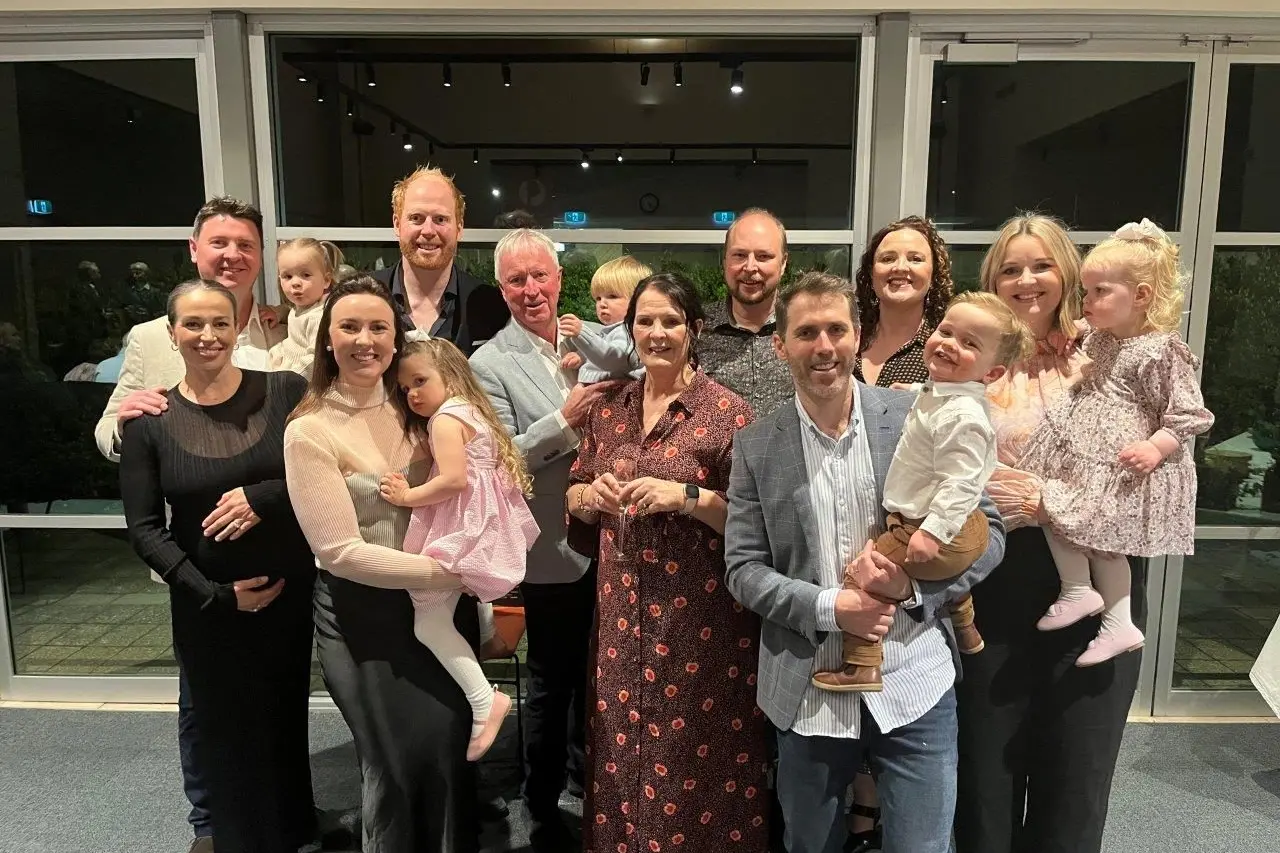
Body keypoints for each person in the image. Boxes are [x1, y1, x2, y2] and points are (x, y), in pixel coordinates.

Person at [724, 271, 1006, 853]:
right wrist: (834, 608)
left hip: (915, 679)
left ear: (857, 335)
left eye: (835, 329)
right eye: (806, 332)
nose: (823, 346)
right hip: (809, 694)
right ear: (781, 345)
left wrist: (910, 588)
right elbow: (743, 570)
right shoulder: (757, 445)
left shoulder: (917, 415)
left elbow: (990, 530)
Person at [92, 196, 286, 853]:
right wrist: (133, 424)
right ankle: (210, 820)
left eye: (245, 245)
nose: (233, 254)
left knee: (279, 696)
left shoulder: (284, 333)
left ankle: (285, 813)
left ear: (260, 257)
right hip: (197, 564)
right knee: (204, 704)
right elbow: (108, 428)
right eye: (220, 243)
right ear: (195, 248)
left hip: (281, 556)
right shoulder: (151, 337)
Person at [953, 212, 1139, 853]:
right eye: (1010, 269)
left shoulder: (1110, 359)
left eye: (1041, 265)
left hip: (1091, 588)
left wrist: (1048, 499)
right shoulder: (972, 362)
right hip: (989, 593)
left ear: (1068, 272)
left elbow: (1143, 486)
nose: (1026, 281)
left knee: (1073, 792)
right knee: (984, 787)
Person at [566, 272, 769, 853]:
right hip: (621, 621)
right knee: (621, 749)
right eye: (645, 321)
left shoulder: (728, 413)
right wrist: (592, 496)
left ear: (695, 329)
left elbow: (751, 524)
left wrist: (686, 498)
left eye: (671, 321)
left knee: (698, 762)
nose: (656, 332)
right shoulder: (609, 409)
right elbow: (575, 497)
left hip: (702, 626)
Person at [284, 275, 480, 853]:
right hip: (361, 617)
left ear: (398, 341)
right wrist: (448, 573)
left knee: (448, 756)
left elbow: (480, 476)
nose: (364, 340)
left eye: (378, 327)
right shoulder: (309, 429)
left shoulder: (420, 409)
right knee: (392, 766)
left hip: (439, 612)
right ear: (327, 340)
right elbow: (337, 552)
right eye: (349, 327)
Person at [119, 280, 315, 853]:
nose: (208, 336)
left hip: (287, 594)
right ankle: (235, 838)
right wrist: (215, 594)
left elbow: (325, 470)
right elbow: (144, 528)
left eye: (220, 324)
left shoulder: (284, 391)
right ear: (172, 332)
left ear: (238, 329)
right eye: (194, 325)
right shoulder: (149, 422)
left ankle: (292, 831)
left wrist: (265, 496)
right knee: (222, 727)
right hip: (206, 603)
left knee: (283, 718)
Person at [469, 228, 616, 851]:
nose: (531, 290)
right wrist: (565, 419)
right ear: (502, 290)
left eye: (540, 277)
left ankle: (600, 789)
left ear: (559, 280)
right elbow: (501, 462)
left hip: (617, 541)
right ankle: (541, 800)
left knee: (606, 677)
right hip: (552, 547)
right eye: (517, 281)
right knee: (553, 681)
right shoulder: (487, 363)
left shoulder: (596, 343)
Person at [813, 292, 1034, 692]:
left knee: (862, 574)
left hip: (941, 528)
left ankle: (862, 664)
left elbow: (963, 482)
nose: (950, 343)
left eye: (970, 344)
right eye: (946, 331)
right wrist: (912, 391)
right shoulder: (943, 394)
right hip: (966, 525)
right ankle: (966, 628)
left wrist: (931, 532)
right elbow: (935, 403)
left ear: (992, 372)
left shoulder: (963, 417)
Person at [1018, 219, 1213, 666]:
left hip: (1117, 466)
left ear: (1141, 296)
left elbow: (1188, 412)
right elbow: (1072, 341)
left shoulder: (1161, 350)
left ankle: (1117, 620)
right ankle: (1080, 591)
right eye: (1086, 292)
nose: (1087, 302)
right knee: (1054, 507)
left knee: (1104, 542)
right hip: (1082, 456)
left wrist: (1157, 446)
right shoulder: (1101, 337)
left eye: (1099, 292)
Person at [377, 335, 539, 761]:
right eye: (404, 387)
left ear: (448, 374)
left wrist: (405, 497)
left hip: (464, 528)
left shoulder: (445, 420)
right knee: (437, 615)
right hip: (481, 526)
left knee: (428, 622)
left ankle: (485, 699)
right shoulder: (471, 412)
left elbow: (454, 480)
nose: (412, 393)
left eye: (419, 381)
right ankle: (484, 683)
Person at [373, 165, 510, 354]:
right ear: (397, 224)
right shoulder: (364, 297)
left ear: (459, 228)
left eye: (440, 219)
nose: (428, 231)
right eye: (416, 218)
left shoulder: (492, 306)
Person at [701, 208, 795, 418]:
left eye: (763, 256)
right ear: (725, 261)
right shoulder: (696, 331)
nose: (750, 267)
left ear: (783, 263)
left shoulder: (804, 327)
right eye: (740, 255)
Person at [853, 216, 954, 388]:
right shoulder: (846, 335)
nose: (900, 267)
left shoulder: (947, 347)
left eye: (915, 259)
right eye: (887, 259)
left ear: (934, 272)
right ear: (871, 272)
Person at [558, 255, 650, 383]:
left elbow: (613, 359)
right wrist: (582, 356)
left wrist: (582, 334)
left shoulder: (629, 332)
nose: (602, 304)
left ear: (639, 300)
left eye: (612, 296)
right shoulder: (612, 331)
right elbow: (604, 349)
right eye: (598, 298)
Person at [270, 238, 344, 377]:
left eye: (305, 275)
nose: (295, 283)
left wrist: (290, 381)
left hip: (302, 380)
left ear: (326, 280)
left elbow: (315, 360)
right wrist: (279, 313)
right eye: (288, 276)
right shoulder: (303, 306)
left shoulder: (320, 318)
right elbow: (293, 311)